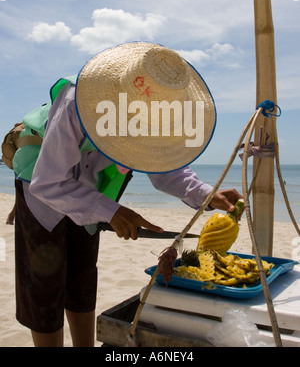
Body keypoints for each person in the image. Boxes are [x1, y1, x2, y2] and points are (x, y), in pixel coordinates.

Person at [13, 42, 242, 347]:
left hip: (94, 186)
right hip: (40, 180)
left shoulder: (156, 113)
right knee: (44, 282)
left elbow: (165, 170)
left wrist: (205, 194)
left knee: (81, 274)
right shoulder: (76, 101)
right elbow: (49, 181)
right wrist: (113, 212)